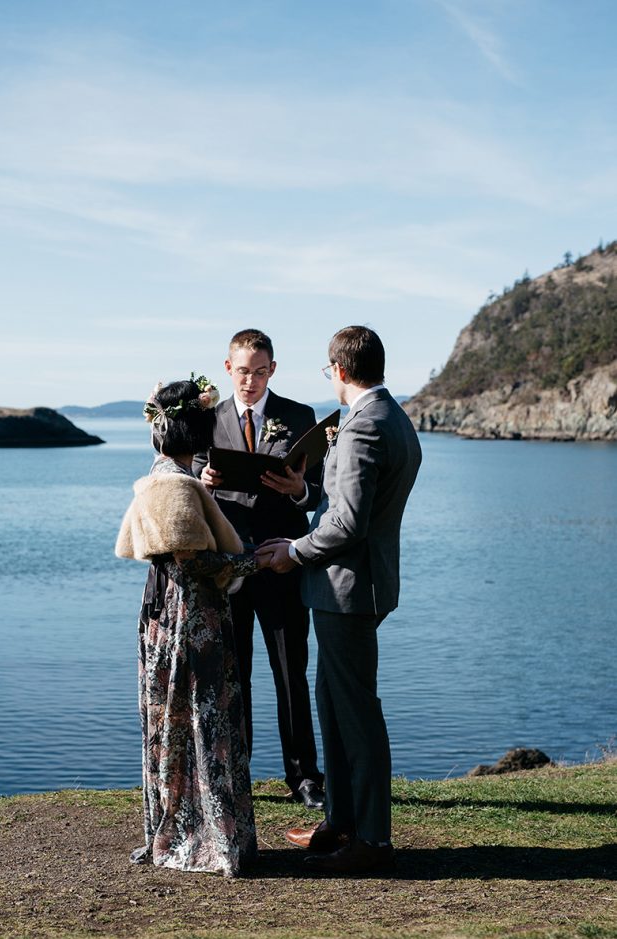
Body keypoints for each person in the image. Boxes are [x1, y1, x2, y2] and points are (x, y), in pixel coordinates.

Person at [257, 327, 422, 874]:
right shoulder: (391, 417)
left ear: (341, 370)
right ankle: (340, 821)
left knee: (356, 715)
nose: (330, 379)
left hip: (349, 589)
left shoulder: (362, 428)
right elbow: (346, 504)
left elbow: (348, 523)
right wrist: (301, 494)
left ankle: (371, 840)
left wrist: (293, 552)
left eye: (329, 371)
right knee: (333, 704)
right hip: (352, 586)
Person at [116, 376, 269, 877]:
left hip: (168, 612)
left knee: (174, 719)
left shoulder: (164, 475)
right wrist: (252, 562)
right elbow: (190, 564)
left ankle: (180, 826)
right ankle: (206, 838)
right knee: (202, 717)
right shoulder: (174, 485)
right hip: (189, 618)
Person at [193, 329, 325, 810]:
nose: (251, 380)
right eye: (243, 371)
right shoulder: (207, 420)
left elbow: (318, 493)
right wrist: (200, 479)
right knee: (236, 674)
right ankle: (237, 772)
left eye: (260, 371)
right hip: (228, 564)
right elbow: (192, 484)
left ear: (273, 371)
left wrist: (297, 491)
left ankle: (305, 778)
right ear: (228, 369)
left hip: (283, 562)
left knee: (291, 672)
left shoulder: (299, 417)